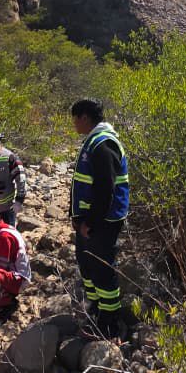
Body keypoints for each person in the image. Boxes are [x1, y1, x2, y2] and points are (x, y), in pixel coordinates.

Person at [70, 97, 129, 337]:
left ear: (84, 117)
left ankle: (109, 325)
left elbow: (106, 189)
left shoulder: (103, 144)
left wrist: (90, 223)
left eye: (75, 119)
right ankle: (95, 312)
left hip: (102, 223)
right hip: (90, 223)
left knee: (103, 271)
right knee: (88, 267)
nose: (73, 124)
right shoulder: (93, 141)